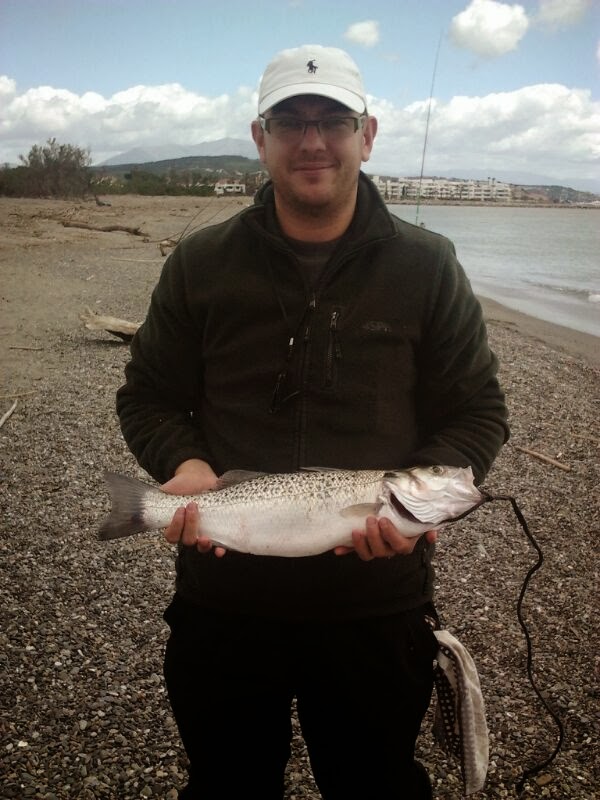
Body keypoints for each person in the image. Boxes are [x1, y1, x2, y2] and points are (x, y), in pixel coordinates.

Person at [116, 44, 509, 800]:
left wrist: (425, 498)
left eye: (332, 120)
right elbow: (148, 397)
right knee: (228, 783)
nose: (313, 141)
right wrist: (185, 464)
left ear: (368, 133)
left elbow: (476, 411)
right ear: (260, 138)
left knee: (376, 784)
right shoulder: (201, 262)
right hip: (223, 597)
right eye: (289, 121)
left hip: (378, 606)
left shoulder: (427, 265)